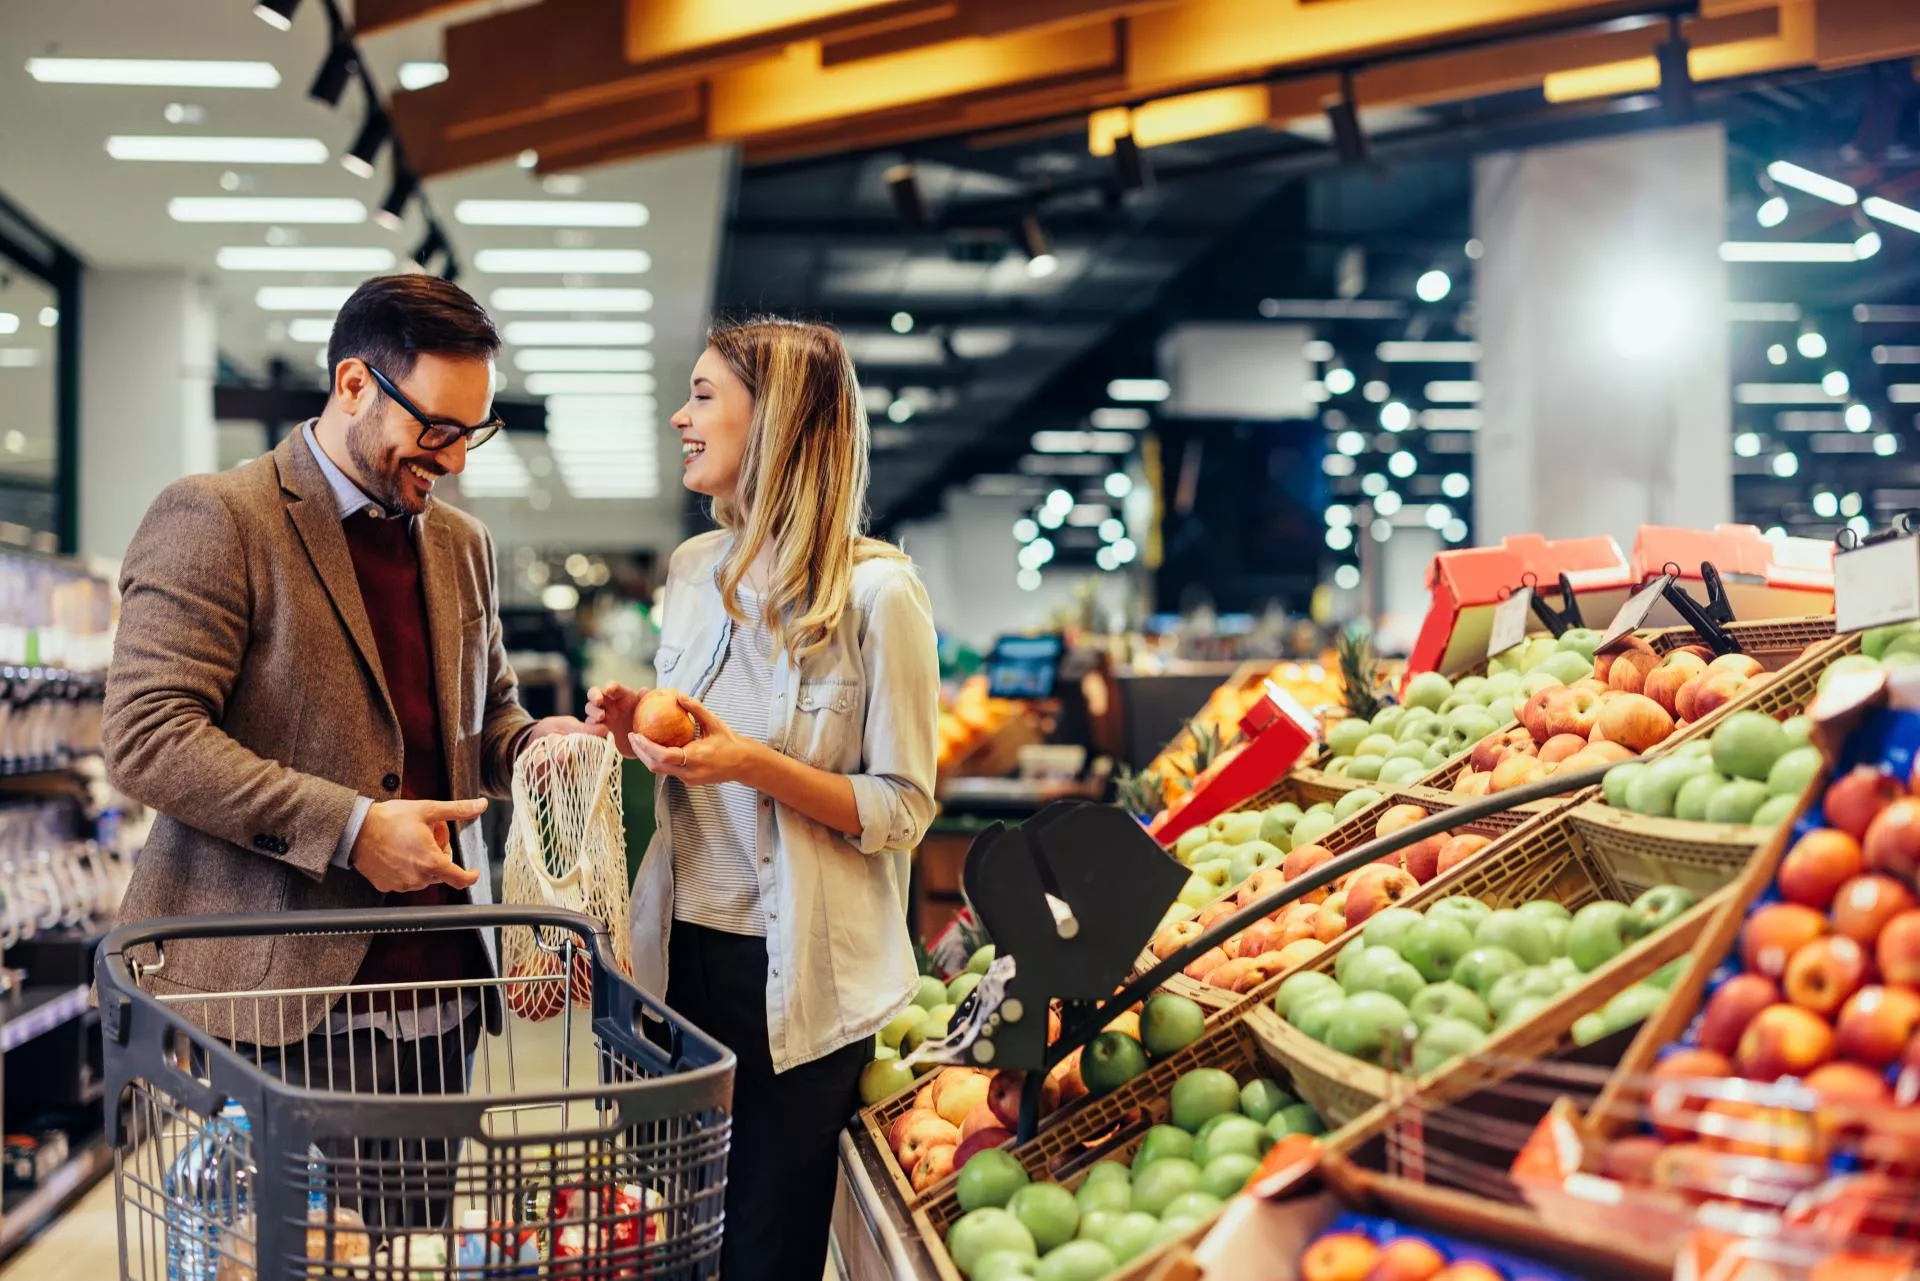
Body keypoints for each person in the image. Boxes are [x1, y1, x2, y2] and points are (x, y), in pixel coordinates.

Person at [103, 273, 592, 1232]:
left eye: (472, 432)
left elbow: (480, 722)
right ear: (356, 383)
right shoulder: (221, 518)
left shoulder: (463, 545)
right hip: (280, 1003)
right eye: (438, 427)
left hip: (438, 997)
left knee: (407, 1252)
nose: (452, 458)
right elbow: (147, 733)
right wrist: (351, 828)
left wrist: (538, 744)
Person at [587, 317, 939, 1281]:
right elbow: (695, 749)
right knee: (675, 1245)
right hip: (682, 955)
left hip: (802, 977)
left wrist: (752, 763)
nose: (680, 416)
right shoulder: (694, 573)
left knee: (764, 1255)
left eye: (703, 395)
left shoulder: (878, 595)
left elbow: (903, 807)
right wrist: (635, 729)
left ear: (775, 417)